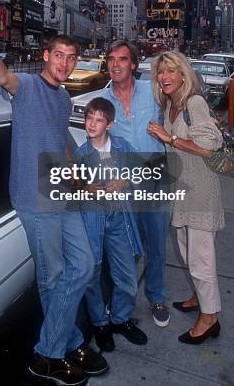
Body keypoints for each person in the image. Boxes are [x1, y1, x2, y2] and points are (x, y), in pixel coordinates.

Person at [0, 26, 108, 386]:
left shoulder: (64, 98)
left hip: (60, 191)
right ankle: (53, 353)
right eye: (59, 56)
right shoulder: (29, 87)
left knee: (83, 265)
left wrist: (76, 174)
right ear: (45, 57)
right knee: (52, 278)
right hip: (34, 198)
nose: (65, 63)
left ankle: (58, 344)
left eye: (71, 58)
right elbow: (3, 76)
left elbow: (58, 140)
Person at [147, 51, 224, 344]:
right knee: (186, 250)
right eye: (161, 72)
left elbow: (207, 147)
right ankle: (200, 296)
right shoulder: (171, 105)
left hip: (201, 190)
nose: (164, 77)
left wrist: (170, 139)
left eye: (170, 71)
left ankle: (210, 317)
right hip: (181, 189)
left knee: (200, 257)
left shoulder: (195, 103)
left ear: (183, 75)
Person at [100, 40, 171, 328]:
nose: (116, 64)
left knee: (157, 246)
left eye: (123, 59)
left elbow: (176, 115)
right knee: (127, 250)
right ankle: (123, 304)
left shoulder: (153, 92)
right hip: (125, 188)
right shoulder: (104, 103)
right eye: (112, 59)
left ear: (134, 64)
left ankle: (156, 296)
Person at [75, 97, 147, 352]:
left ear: (110, 124)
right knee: (92, 275)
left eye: (99, 120)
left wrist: (124, 181)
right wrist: (85, 189)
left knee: (126, 274)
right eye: (89, 118)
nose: (92, 124)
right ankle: (100, 323)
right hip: (91, 221)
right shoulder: (80, 155)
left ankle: (121, 318)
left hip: (119, 219)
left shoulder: (122, 147)